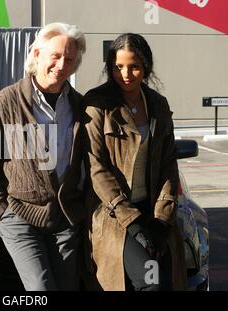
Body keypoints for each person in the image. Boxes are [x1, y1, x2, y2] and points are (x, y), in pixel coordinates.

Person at [0, 22, 87, 291]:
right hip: (20, 215)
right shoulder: (6, 102)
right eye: (55, 56)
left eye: (69, 59)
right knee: (41, 288)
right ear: (36, 55)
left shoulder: (79, 106)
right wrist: (2, 210)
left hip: (64, 218)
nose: (61, 65)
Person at [83, 33, 187, 291]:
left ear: (146, 67)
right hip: (115, 216)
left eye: (134, 66)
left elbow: (168, 164)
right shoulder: (97, 105)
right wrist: (132, 221)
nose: (125, 74)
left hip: (153, 213)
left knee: (164, 281)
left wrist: (162, 217)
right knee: (150, 282)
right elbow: (97, 168)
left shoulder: (158, 105)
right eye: (118, 67)